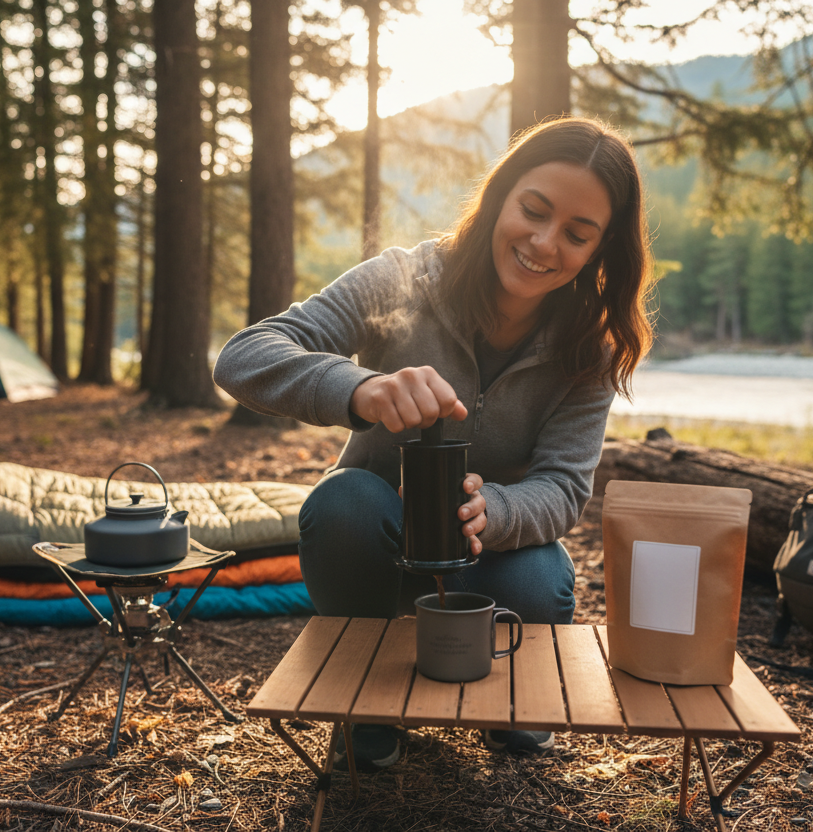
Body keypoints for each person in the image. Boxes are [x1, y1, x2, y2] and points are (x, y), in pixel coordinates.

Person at [213, 116, 654, 771]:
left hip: (489, 566)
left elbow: (563, 487)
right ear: (501, 194)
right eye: (532, 211)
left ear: (600, 250)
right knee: (342, 506)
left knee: (543, 575)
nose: (543, 242)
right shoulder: (403, 279)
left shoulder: (590, 347)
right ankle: (366, 704)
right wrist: (359, 388)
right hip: (378, 557)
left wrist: (494, 510)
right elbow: (243, 356)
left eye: (576, 234)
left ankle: (512, 703)